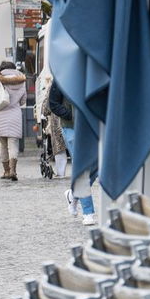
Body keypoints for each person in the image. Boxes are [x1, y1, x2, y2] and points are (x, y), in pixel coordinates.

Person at [47, 79, 97, 223]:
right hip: (71, 127)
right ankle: (88, 212)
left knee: (98, 164)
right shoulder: (62, 75)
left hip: (93, 125)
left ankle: (74, 194)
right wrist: (70, 115)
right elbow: (53, 103)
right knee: (82, 167)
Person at [0, 60, 27, 182]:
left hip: (0, 115)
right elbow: (23, 100)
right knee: (13, 144)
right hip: (15, 115)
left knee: (3, 144)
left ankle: (6, 171)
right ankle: (13, 170)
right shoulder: (21, 80)